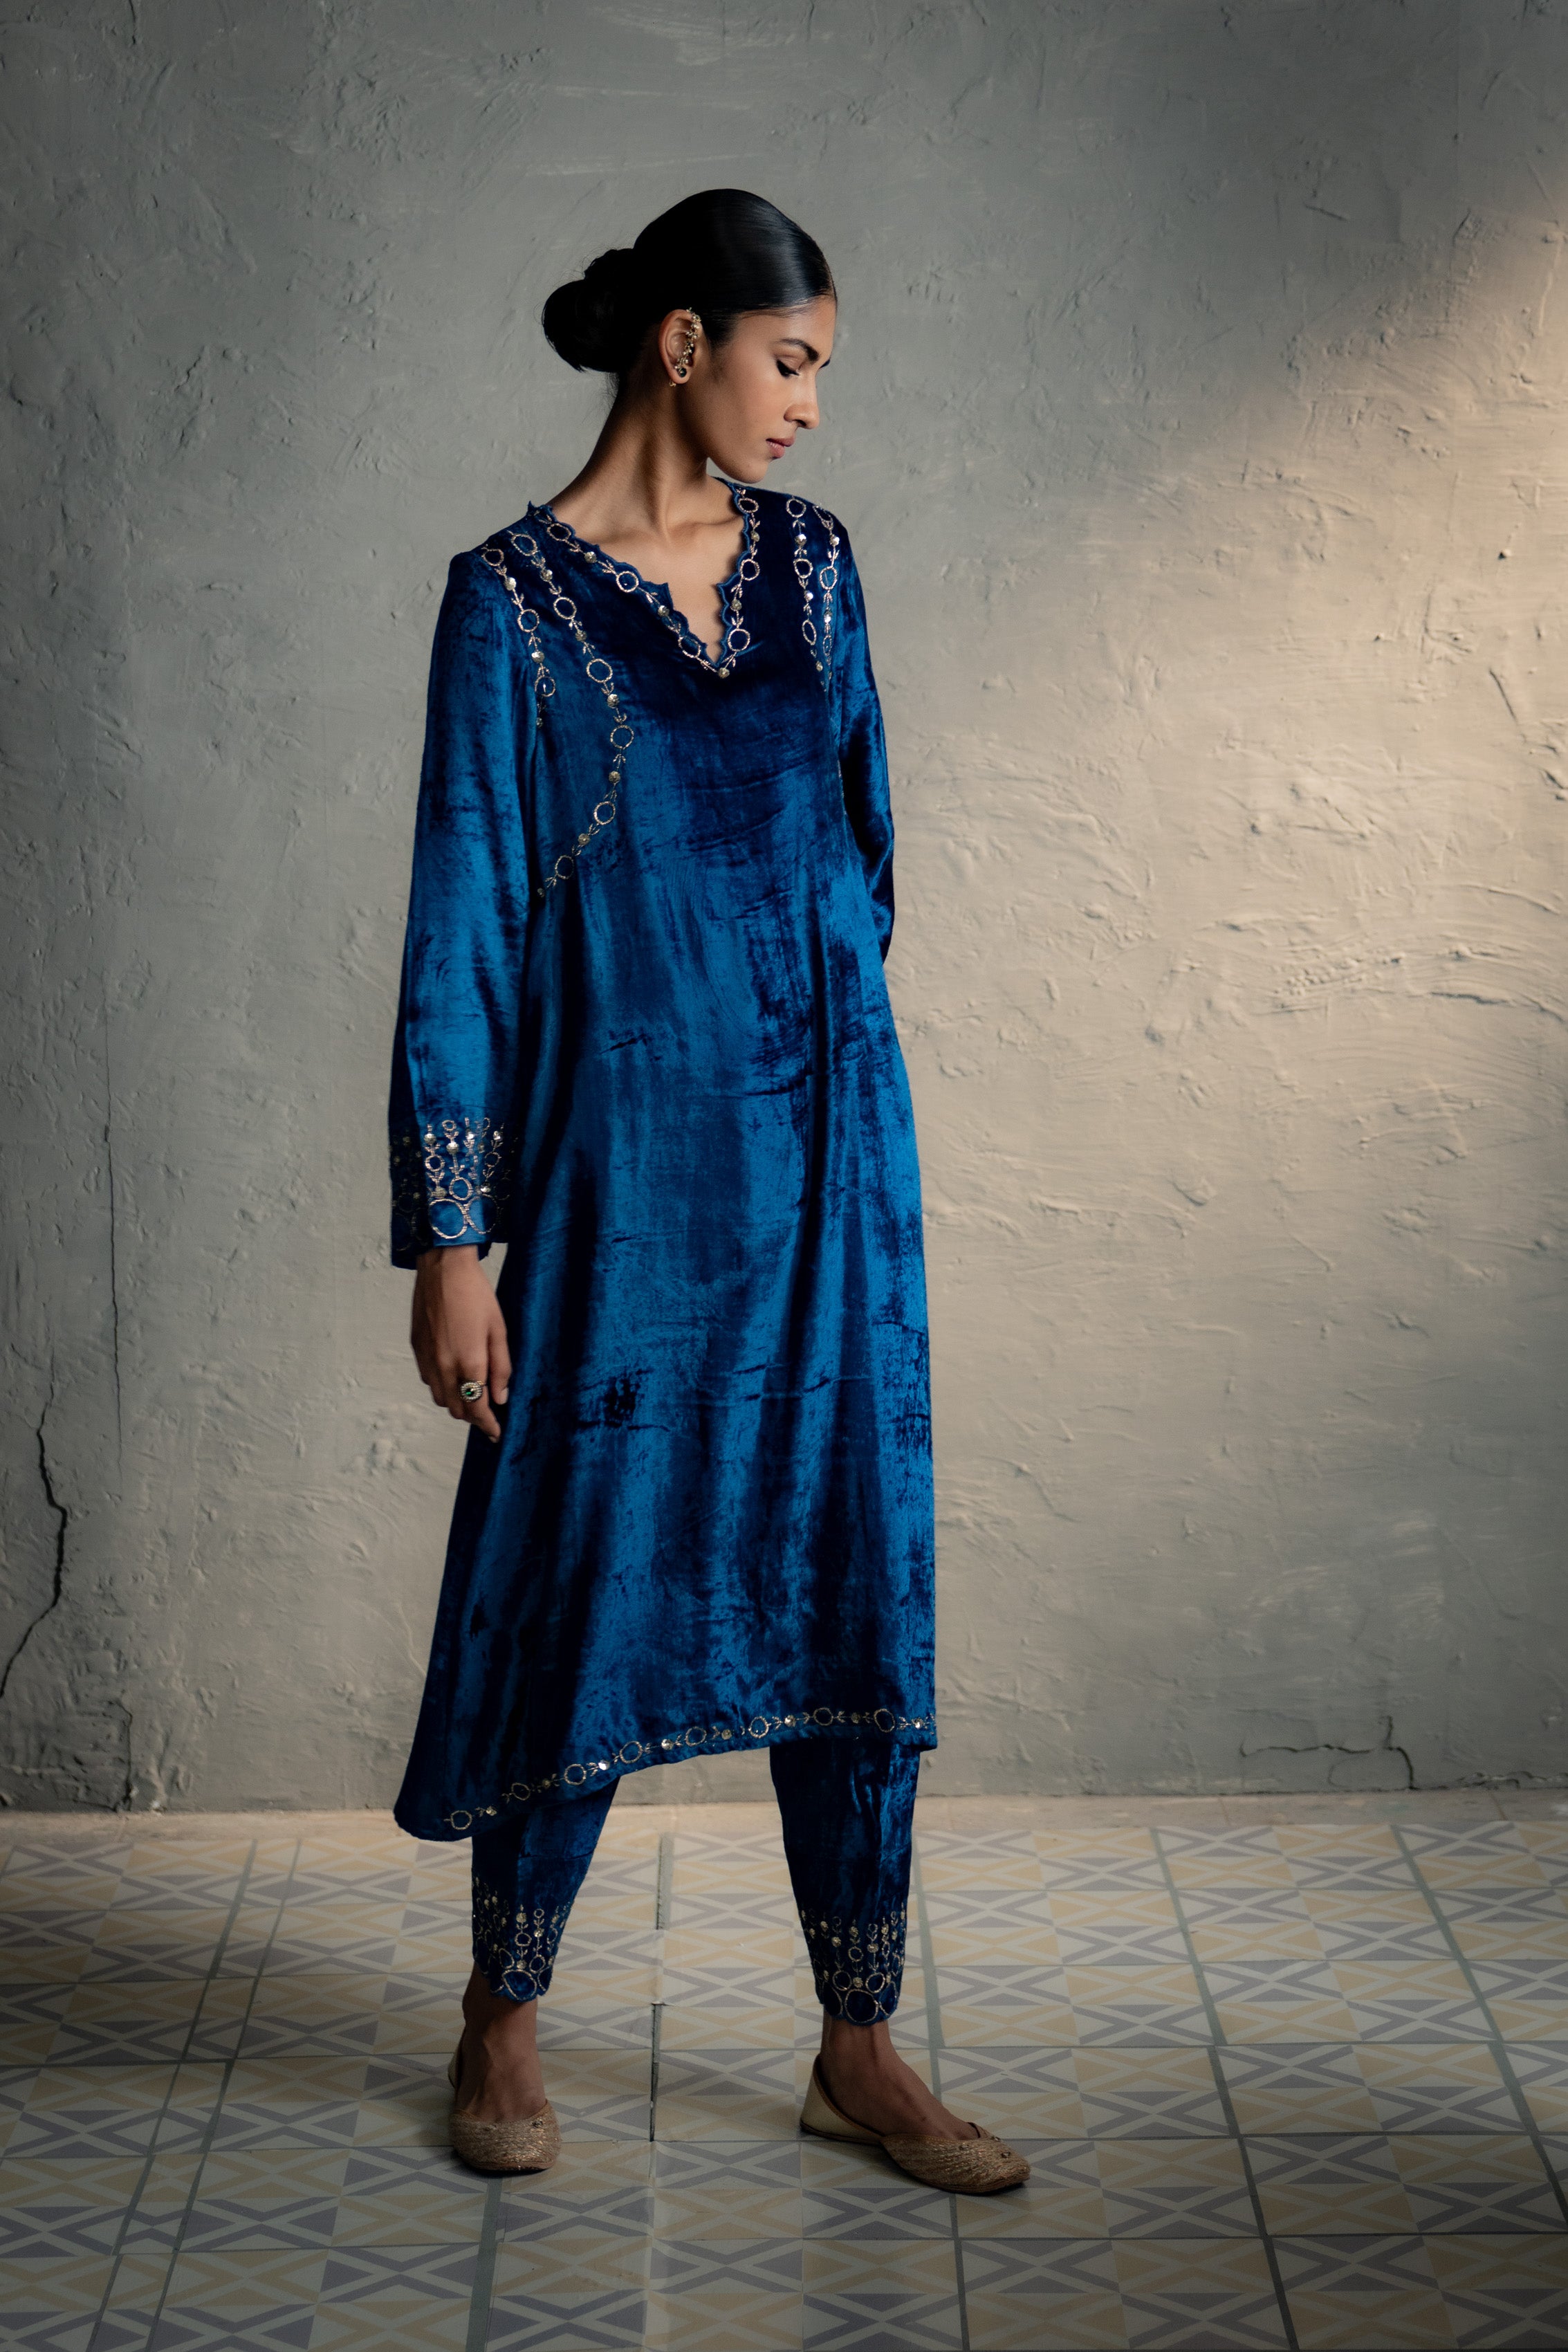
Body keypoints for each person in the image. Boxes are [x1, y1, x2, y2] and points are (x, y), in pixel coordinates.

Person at [387, 188, 1026, 2196]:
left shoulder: (819, 576)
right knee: (574, 1572)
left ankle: (859, 2041)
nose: (810, 408)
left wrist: (800, 1064)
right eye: (791, 360)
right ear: (685, 343)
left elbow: (869, 861)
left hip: (835, 1185)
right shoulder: (506, 606)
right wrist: (455, 1239)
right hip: (618, 1197)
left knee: (853, 1572)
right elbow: (461, 934)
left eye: (816, 366)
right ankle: (502, 2013)